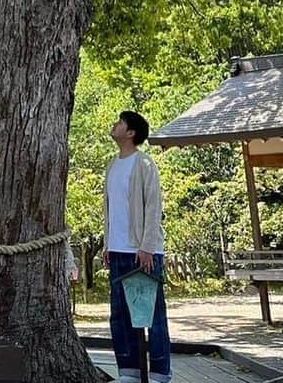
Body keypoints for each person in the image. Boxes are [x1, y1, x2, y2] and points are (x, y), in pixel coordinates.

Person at [103, 111, 171, 383]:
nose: (115, 125)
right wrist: (108, 243)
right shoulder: (112, 165)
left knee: (153, 315)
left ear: (131, 133)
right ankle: (128, 371)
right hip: (117, 249)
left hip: (143, 250)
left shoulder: (144, 164)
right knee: (119, 313)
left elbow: (153, 206)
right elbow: (110, 209)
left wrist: (147, 246)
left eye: (120, 122)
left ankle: (159, 373)